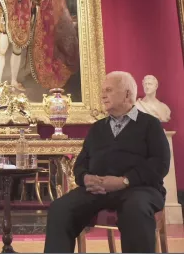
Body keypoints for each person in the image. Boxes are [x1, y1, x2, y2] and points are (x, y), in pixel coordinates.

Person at [44, 71, 170, 253]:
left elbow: (160, 164)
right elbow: (80, 164)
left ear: (127, 94)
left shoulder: (150, 124)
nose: (103, 95)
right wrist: (85, 178)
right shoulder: (97, 128)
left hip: (139, 189)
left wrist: (124, 181)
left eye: (109, 90)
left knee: (136, 209)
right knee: (60, 209)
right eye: (103, 90)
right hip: (98, 191)